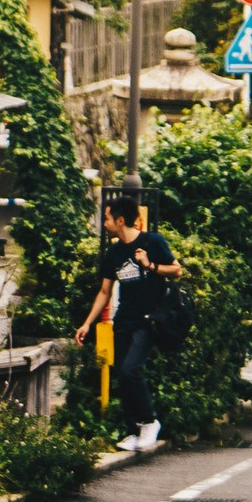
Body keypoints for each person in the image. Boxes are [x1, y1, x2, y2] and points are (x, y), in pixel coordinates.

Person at [76, 189, 181, 450]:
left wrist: (150, 266)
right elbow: (104, 292)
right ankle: (134, 430)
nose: (105, 224)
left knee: (130, 369)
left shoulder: (152, 242)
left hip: (149, 319)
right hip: (124, 320)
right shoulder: (113, 254)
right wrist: (87, 323)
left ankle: (150, 422)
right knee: (121, 376)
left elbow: (177, 270)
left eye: (108, 218)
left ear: (120, 220)